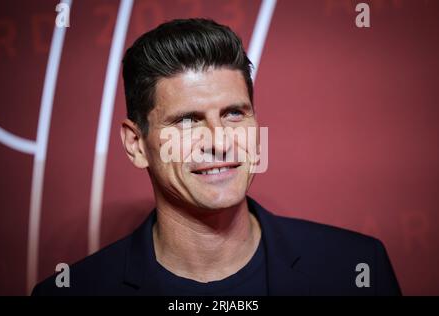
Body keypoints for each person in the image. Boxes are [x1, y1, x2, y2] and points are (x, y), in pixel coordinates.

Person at [32, 18, 401, 296]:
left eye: (234, 114)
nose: (220, 141)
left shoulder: (356, 268)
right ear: (136, 144)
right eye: (188, 120)